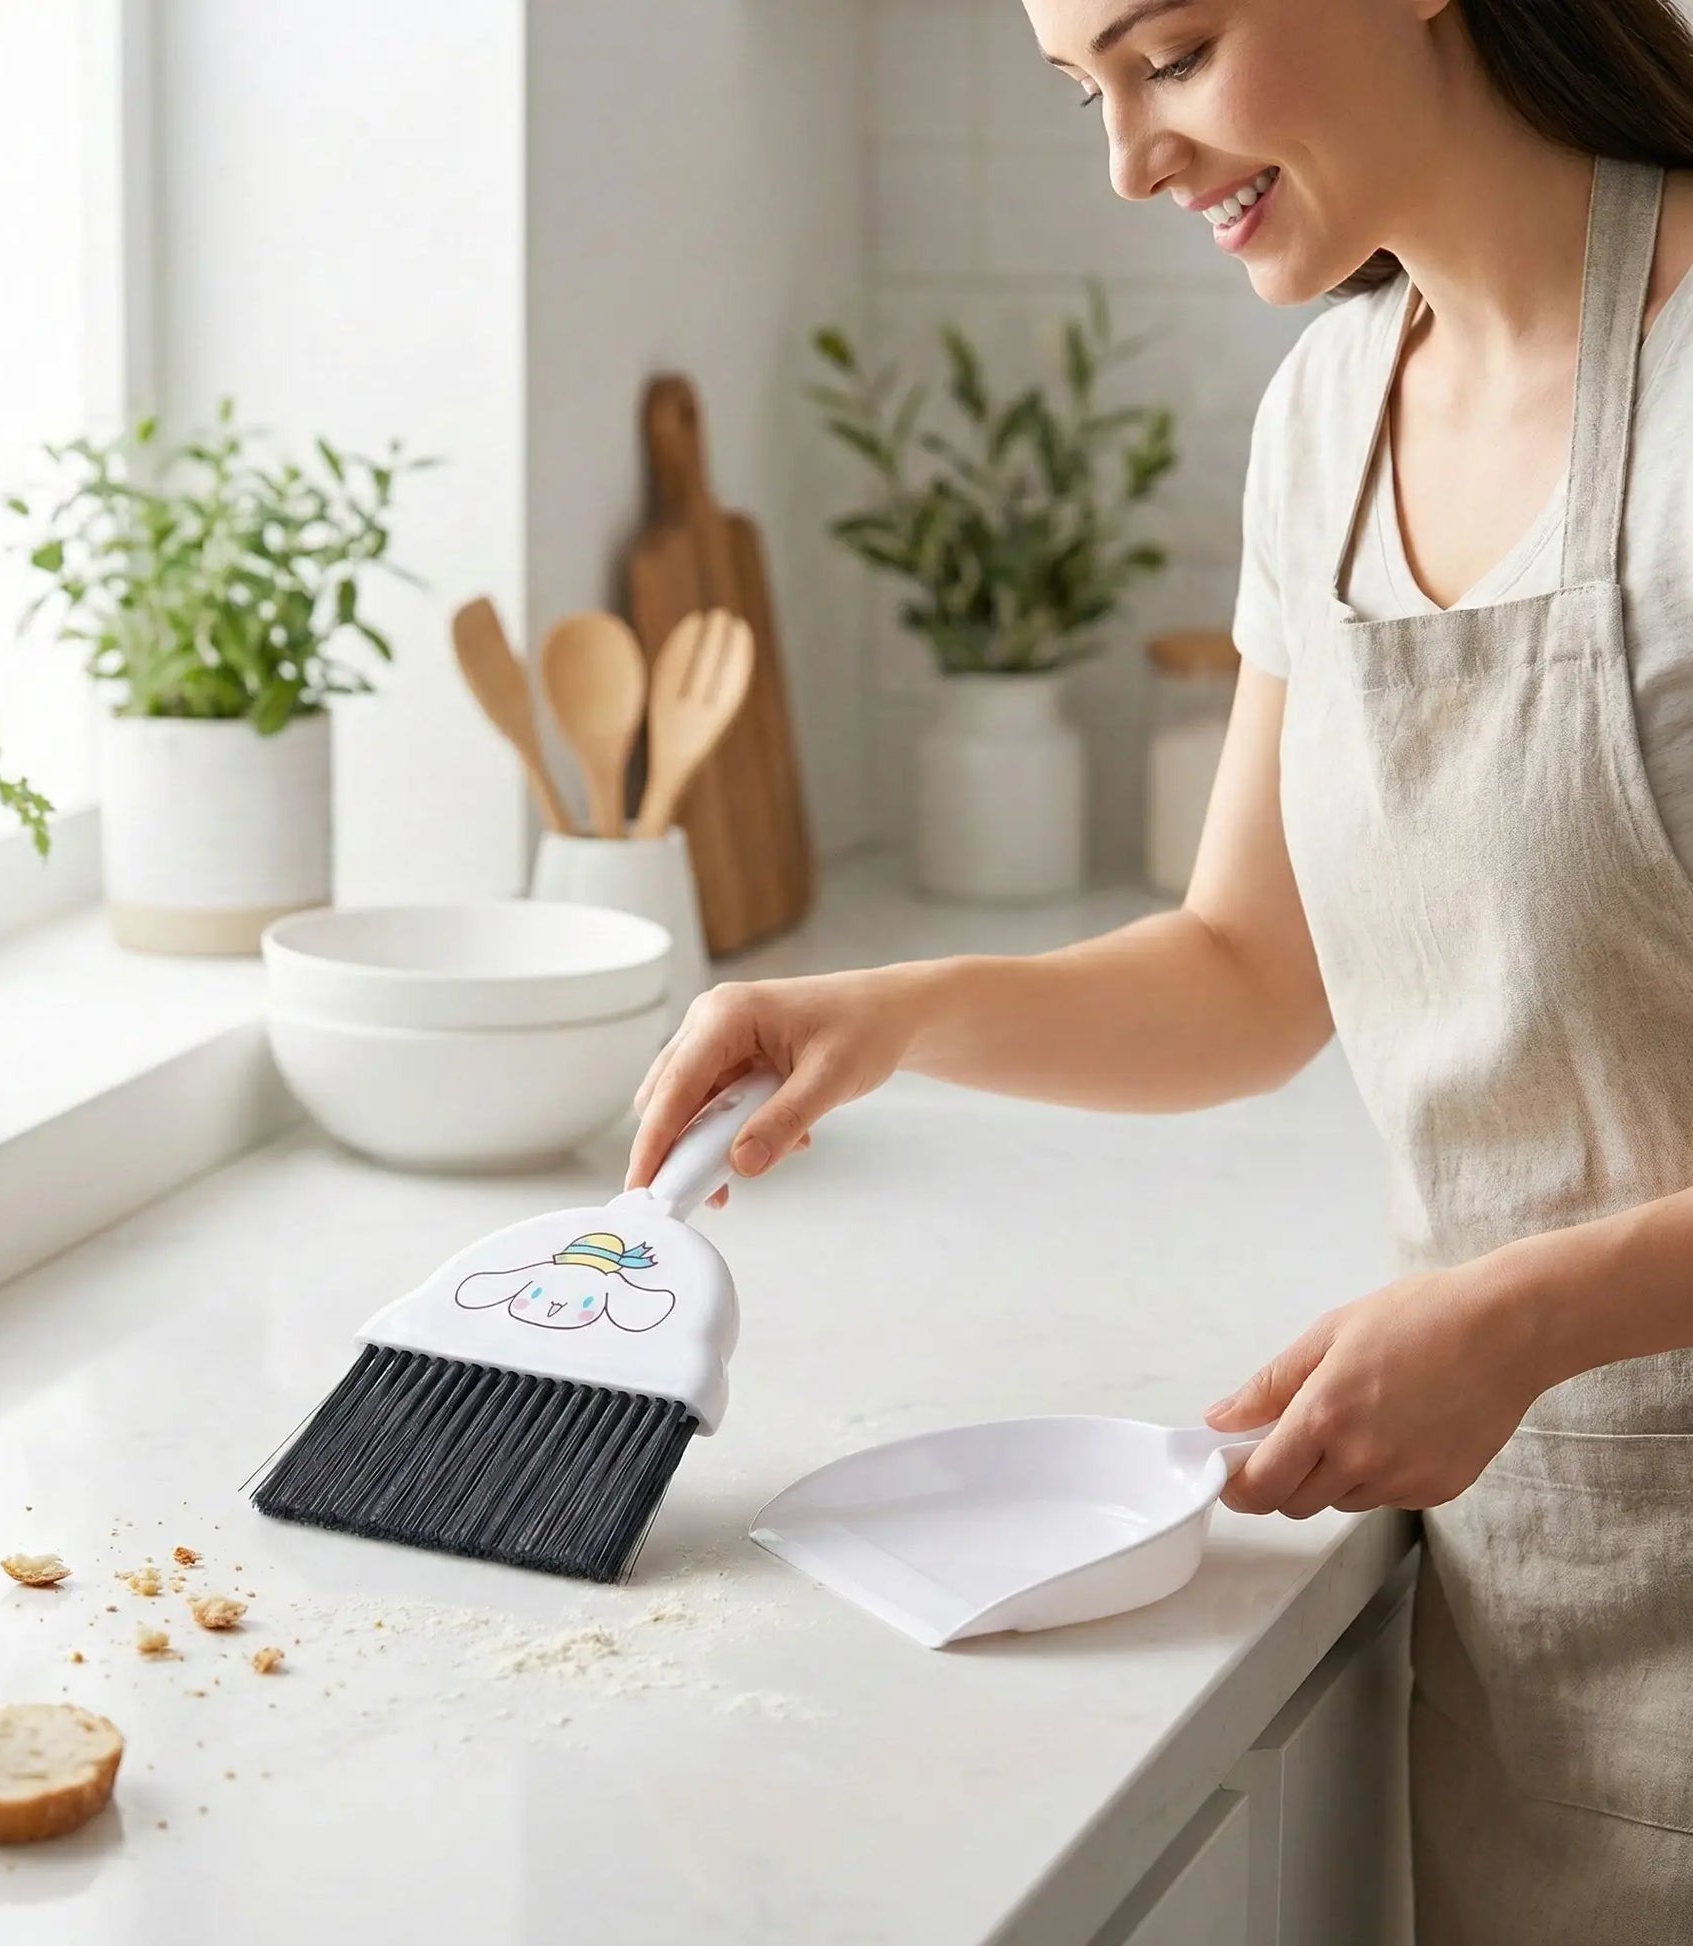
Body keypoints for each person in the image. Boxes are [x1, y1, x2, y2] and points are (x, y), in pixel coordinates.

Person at [624, 1, 1693, 1937]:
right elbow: (1242, 968)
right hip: (1540, 1642)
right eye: (1082, 92)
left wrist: (1523, 1317)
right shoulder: (1325, 421)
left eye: (1172, 53)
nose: (1127, 159)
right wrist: (882, 1020)